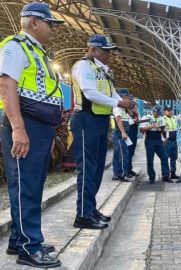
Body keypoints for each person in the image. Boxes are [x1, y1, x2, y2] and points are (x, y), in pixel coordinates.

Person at [0, 2, 65, 267]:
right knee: (25, 186)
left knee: (33, 186)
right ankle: (30, 248)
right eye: (50, 23)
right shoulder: (15, 46)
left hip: (39, 126)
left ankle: (19, 240)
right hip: (24, 124)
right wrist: (18, 129)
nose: (53, 29)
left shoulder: (38, 51)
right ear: (33, 22)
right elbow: (6, 86)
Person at [71, 34, 136, 230]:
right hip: (85, 120)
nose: (109, 54)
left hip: (100, 121)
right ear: (92, 49)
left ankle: (90, 209)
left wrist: (126, 106)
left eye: (110, 51)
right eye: (105, 50)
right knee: (87, 169)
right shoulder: (84, 66)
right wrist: (119, 102)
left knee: (98, 169)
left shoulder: (102, 70)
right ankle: (82, 214)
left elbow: (110, 93)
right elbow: (90, 92)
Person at [140, 105, 170, 184]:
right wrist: (152, 126)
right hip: (150, 139)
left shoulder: (161, 118)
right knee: (150, 159)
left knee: (165, 157)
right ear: (153, 111)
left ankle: (166, 176)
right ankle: (151, 177)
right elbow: (141, 129)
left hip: (158, 139)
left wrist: (162, 129)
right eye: (157, 113)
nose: (158, 115)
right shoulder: (146, 117)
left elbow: (162, 131)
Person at [111, 88, 134, 182]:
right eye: (128, 97)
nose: (129, 99)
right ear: (124, 96)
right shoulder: (118, 106)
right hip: (119, 133)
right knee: (122, 154)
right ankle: (123, 174)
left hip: (118, 133)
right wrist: (123, 132)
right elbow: (118, 119)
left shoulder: (122, 107)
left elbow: (131, 113)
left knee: (117, 155)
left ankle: (116, 174)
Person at [163, 104, 180, 180]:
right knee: (165, 158)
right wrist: (163, 140)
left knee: (174, 158)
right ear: (164, 111)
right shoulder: (162, 119)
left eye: (171, 110)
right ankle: (165, 175)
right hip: (167, 141)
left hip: (174, 140)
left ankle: (173, 173)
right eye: (168, 110)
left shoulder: (174, 118)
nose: (170, 112)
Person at [127, 101, 142, 178]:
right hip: (128, 133)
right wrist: (133, 121)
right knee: (128, 152)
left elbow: (139, 120)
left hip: (134, 133)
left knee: (132, 152)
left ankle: (130, 169)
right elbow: (125, 122)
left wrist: (137, 113)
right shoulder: (125, 112)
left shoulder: (134, 112)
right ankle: (126, 170)